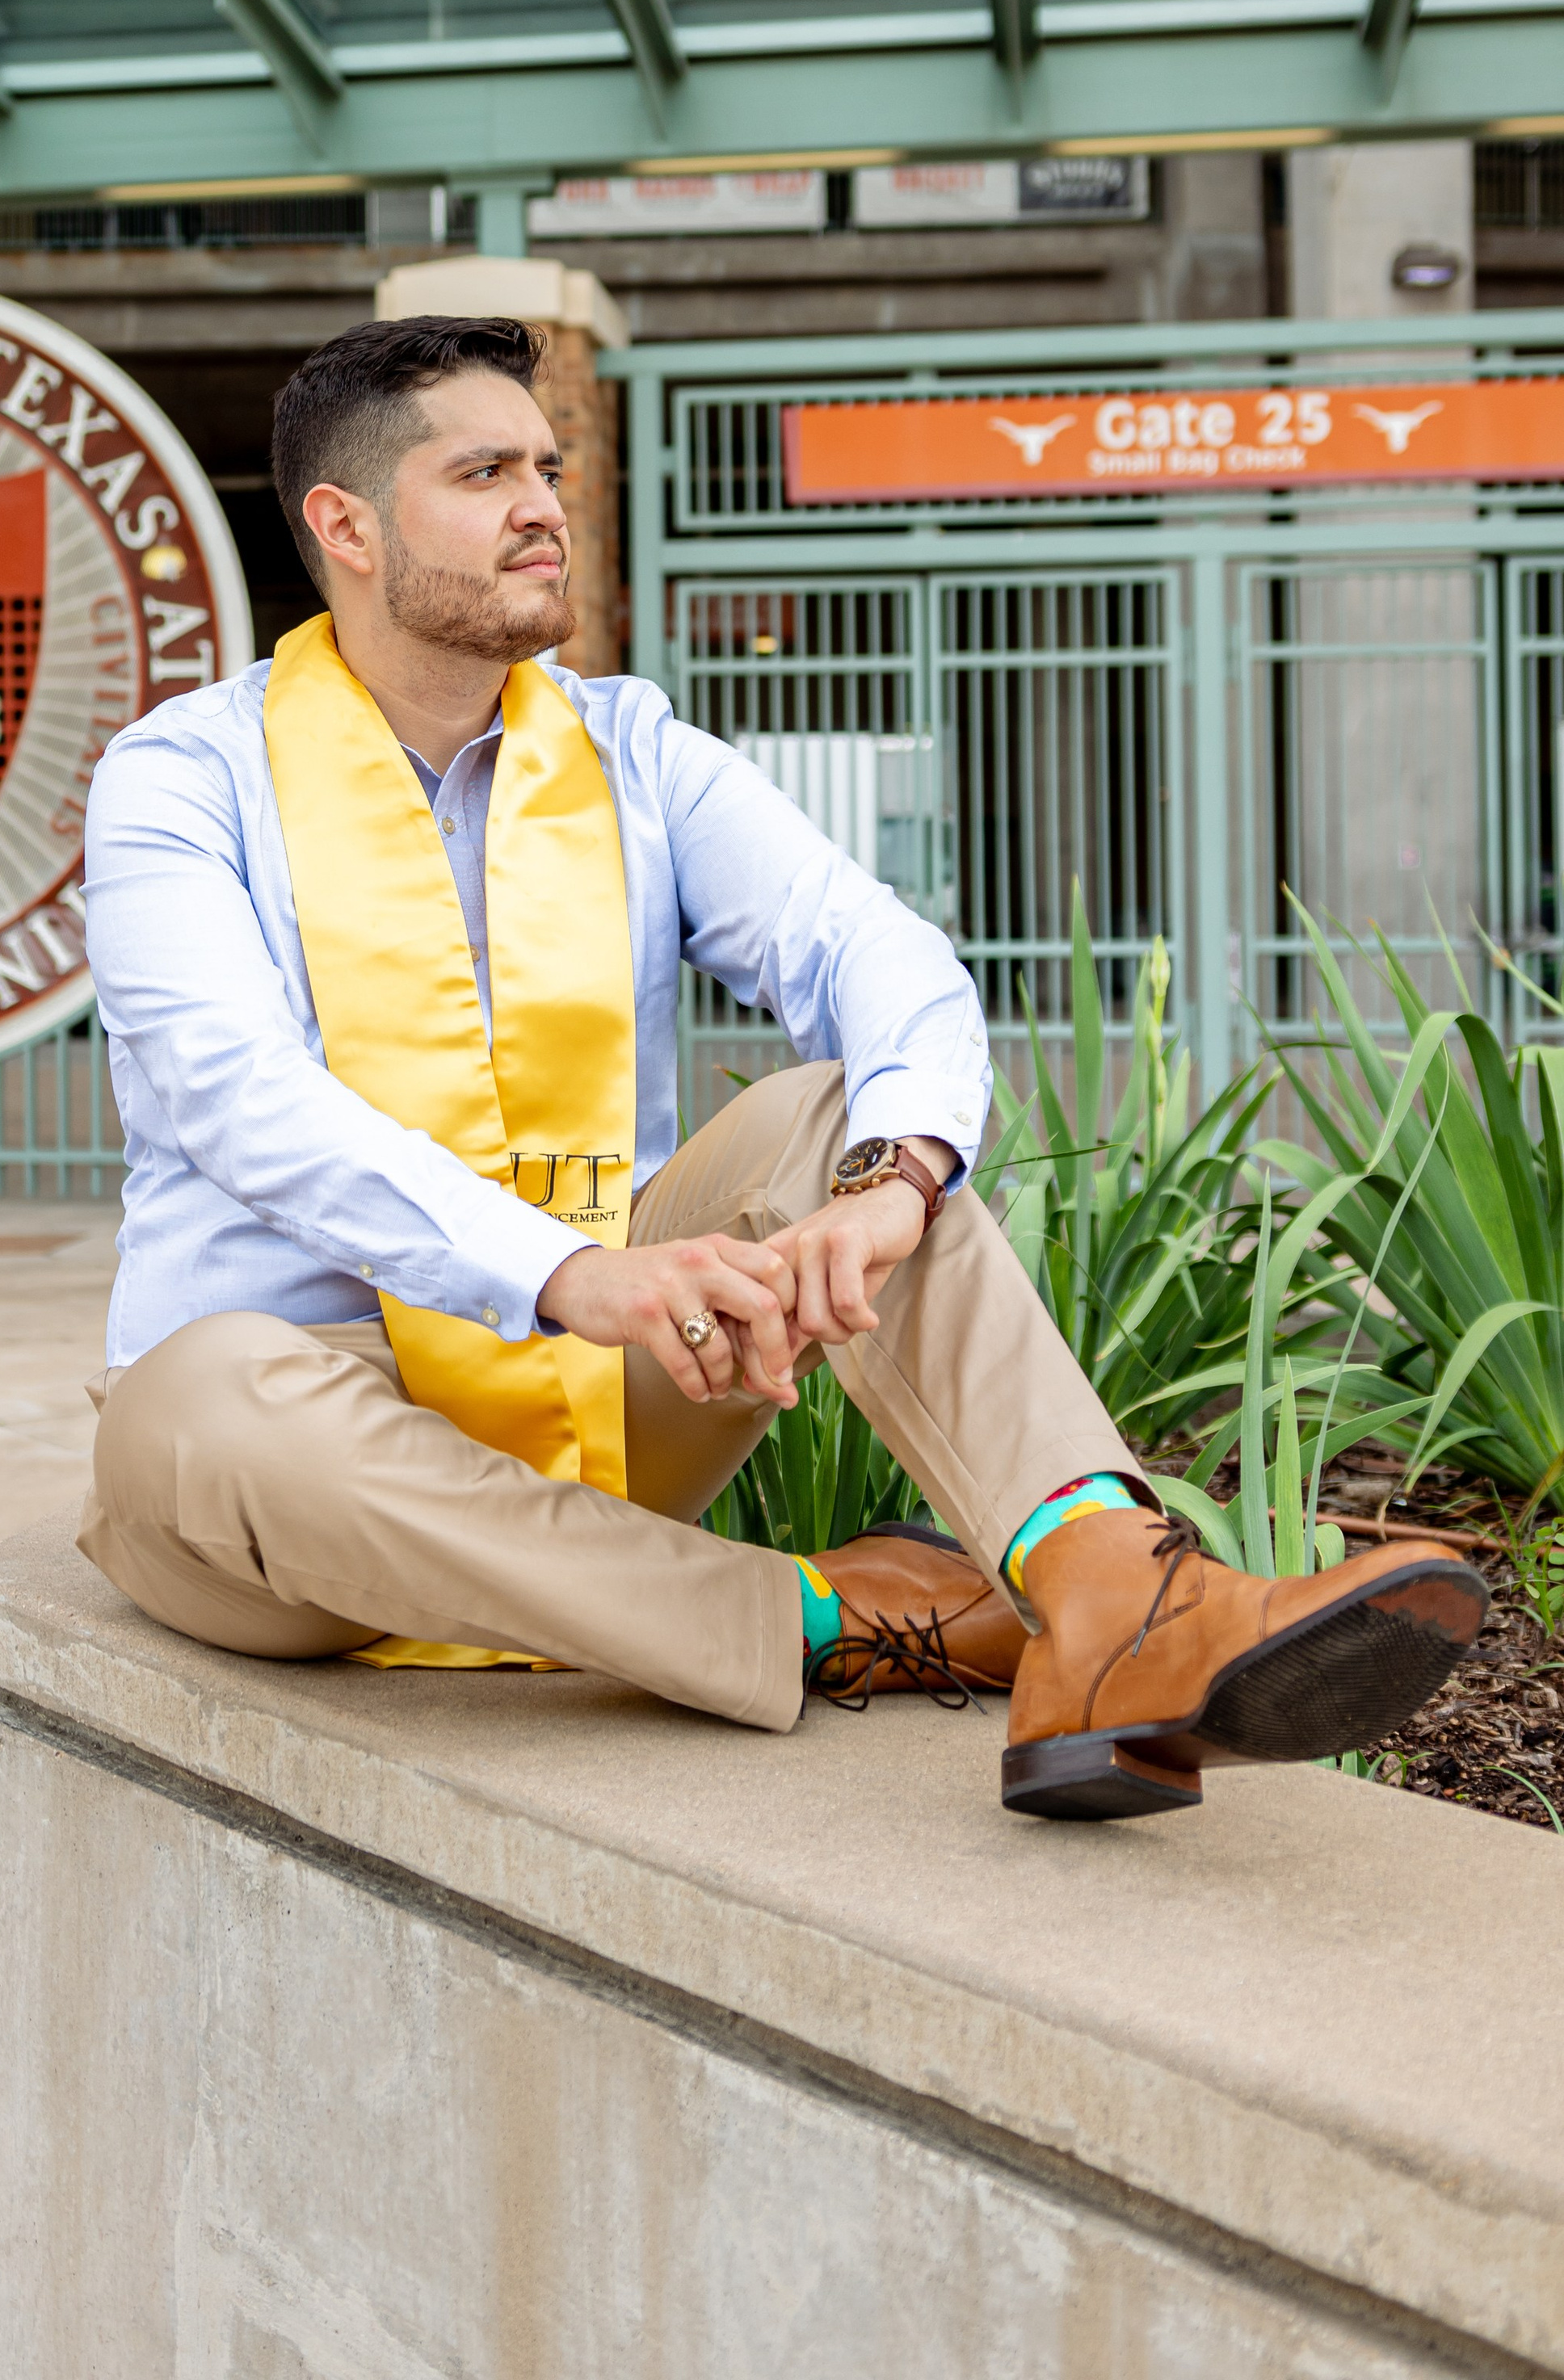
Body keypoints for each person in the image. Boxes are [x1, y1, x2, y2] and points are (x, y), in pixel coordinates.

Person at [77, 313, 1484, 1820]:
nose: (543, 505)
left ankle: (1116, 1593)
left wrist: (891, 1183)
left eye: (544, 468)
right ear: (347, 528)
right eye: (484, 474)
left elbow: (874, 951)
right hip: (297, 1457)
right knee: (201, 1398)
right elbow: (242, 1098)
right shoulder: (182, 781)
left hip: (603, 1398)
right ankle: (841, 1611)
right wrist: (567, 1271)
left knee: (830, 1117)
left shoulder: (630, 751)